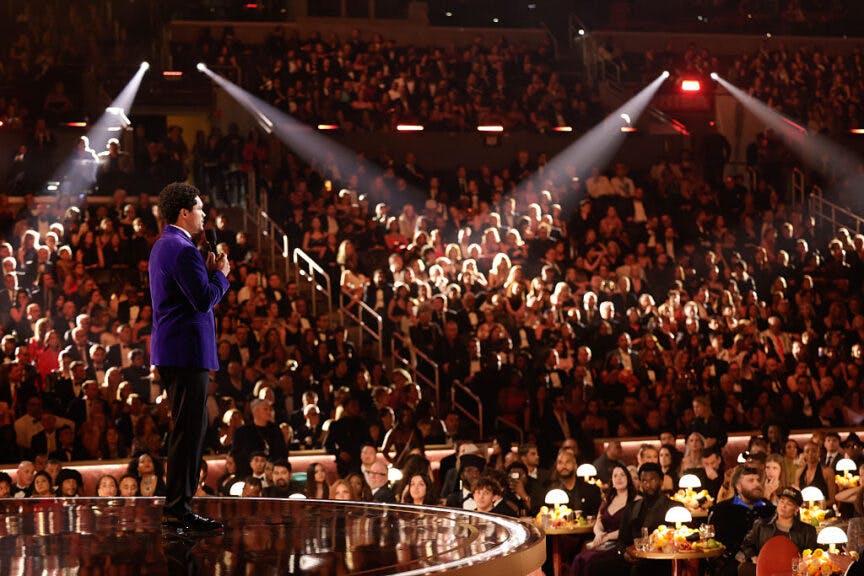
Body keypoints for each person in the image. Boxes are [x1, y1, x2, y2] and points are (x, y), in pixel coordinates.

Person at [150, 182, 230, 533]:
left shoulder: (164, 245)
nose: (203, 214)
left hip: (176, 351)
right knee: (188, 432)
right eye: (199, 208)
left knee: (187, 430)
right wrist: (220, 276)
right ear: (184, 212)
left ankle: (178, 508)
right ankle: (178, 511)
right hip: (186, 353)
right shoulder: (182, 249)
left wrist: (209, 272)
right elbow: (203, 300)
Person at [570, 463, 638, 576]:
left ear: (628, 478)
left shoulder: (636, 500)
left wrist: (606, 537)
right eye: (615, 475)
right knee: (579, 558)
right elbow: (598, 522)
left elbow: (629, 529)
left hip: (621, 544)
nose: (619, 478)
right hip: (602, 542)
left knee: (592, 563)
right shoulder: (607, 499)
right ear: (611, 480)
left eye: (622, 475)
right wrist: (598, 534)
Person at [709, 466, 775, 576]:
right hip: (733, 564)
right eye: (751, 481)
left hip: (767, 562)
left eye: (758, 480)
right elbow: (717, 544)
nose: (757, 484)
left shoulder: (769, 509)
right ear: (738, 486)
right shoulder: (722, 510)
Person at [736, 487, 817, 576]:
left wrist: (802, 563)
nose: (783, 506)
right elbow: (746, 544)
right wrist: (754, 557)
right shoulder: (762, 525)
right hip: (765, 570)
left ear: (796, 509)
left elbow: (812, 555)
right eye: (782, 501)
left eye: (789, 504)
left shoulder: (807, 531)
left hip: (792, 572)